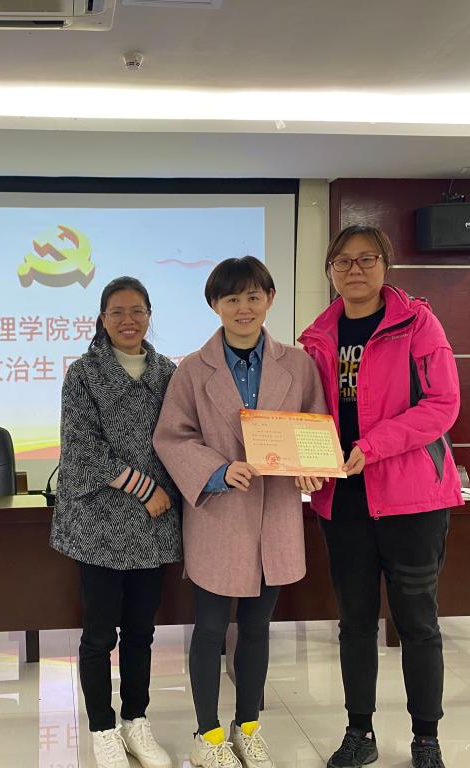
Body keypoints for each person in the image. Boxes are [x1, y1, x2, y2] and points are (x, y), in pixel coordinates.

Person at [298, 225, 462, 768]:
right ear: (329, 270)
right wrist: (302, 461)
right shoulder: (317, 336)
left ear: (385, 266)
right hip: (343, 500)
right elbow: (310, 414)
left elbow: (442, 405)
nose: (355, 269)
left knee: (417, 622)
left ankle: (426, 738)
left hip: (412, 498)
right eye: (343, 261)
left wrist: (372, 446)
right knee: (354, 624)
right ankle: (359, 732)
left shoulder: (418, 324)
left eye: (367, 259)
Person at [154, 256, 327, 768]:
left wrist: (311, 467)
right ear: (215, 305)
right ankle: (207, 735)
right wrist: (217, 470)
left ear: (270, 299)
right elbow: (172, 437)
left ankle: (247, 726)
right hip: (220, 516)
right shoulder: (192, 369)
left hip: (275, 514)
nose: (243, 308)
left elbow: (315, 425)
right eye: (232, 298)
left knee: (256, 628)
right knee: (210, 629)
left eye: (253, 296)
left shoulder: (298, 365)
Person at [50, 276, 181, 768]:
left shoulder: (168, 373)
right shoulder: (83, 373)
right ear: (102, 319)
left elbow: (181, 439)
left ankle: (136, 720)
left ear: (149, 316)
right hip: (100, 524)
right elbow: (82, 449)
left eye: (137, 310)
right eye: (117, 312)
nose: (129, 320)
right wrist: (145, 489)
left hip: (153, 526)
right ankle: (102, 728)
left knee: (141, 630)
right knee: (100, 633)